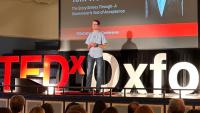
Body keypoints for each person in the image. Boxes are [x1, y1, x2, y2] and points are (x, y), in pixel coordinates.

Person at [85, 19, 108, 93]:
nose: (93, 26)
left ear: (98, 25)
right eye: (92, 24)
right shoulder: (90, 34)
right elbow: (87, 47)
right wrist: (90, 45)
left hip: (99, 55)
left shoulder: (101, 34)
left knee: (99, 73)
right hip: (90, 55)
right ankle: (87, 88)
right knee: (89, 73)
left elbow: (105, 46)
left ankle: (98, 89)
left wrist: (97, 45)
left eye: (95, 24)